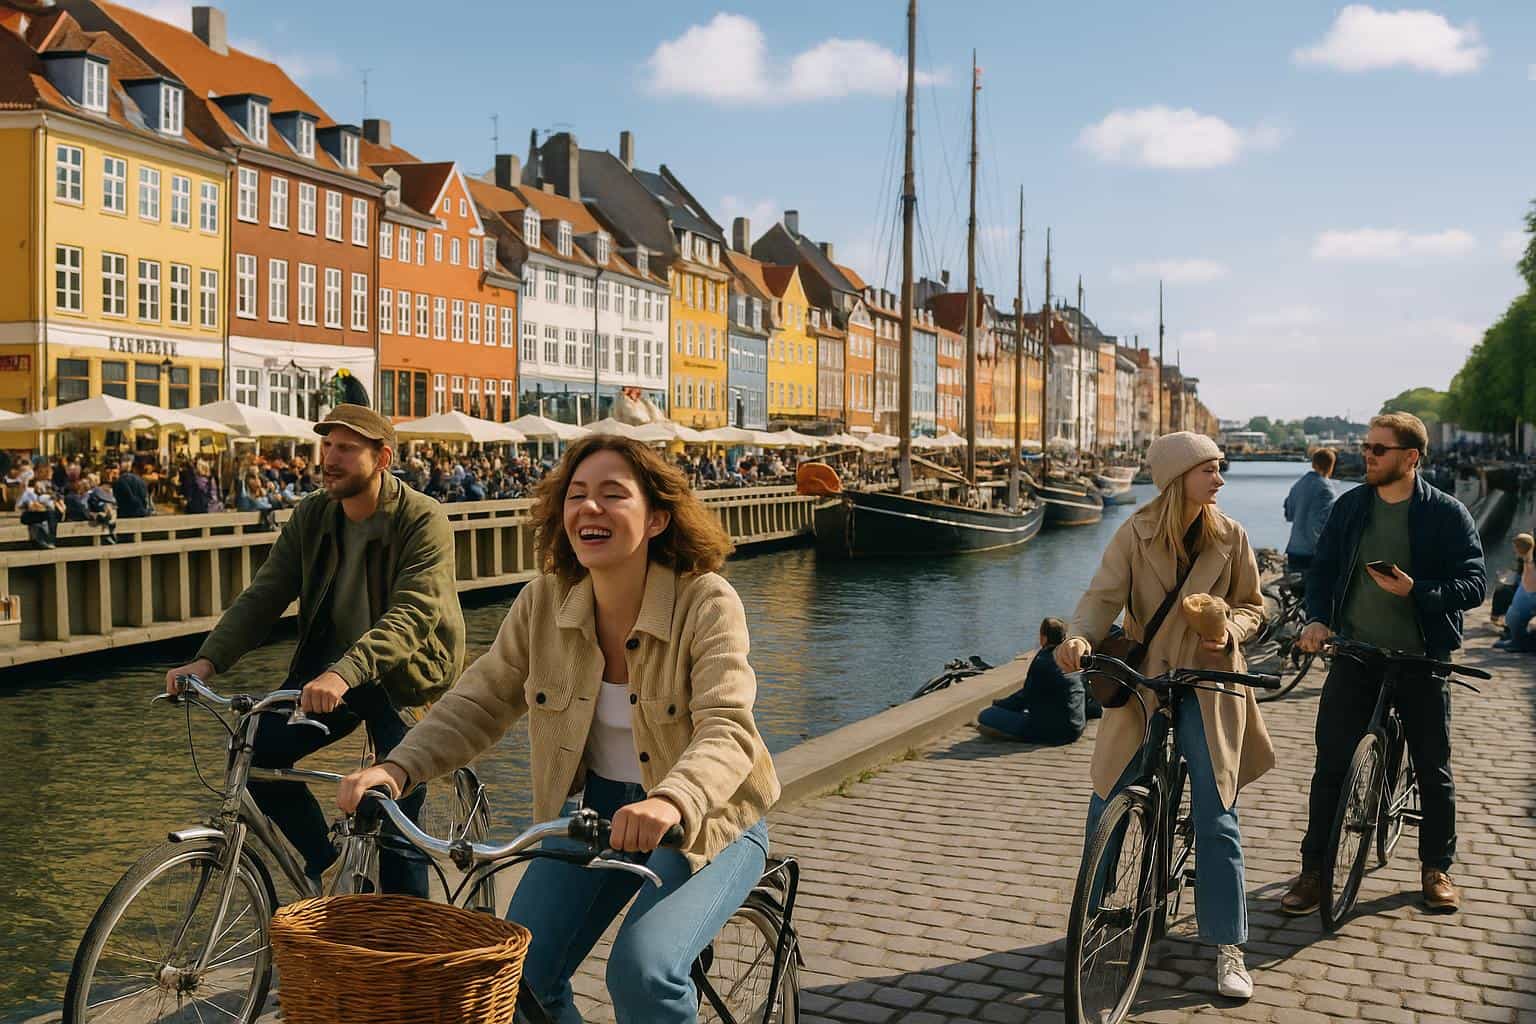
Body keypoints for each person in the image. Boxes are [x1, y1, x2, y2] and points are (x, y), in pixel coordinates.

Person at [337, 434, 781, 1023]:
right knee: (518, 975)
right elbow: (482, 697)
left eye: (612, 495)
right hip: (598, 814)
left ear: (656, 520)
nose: (588, 509)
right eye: (576, 495)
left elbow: (727, 725)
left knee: (643, 973)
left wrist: (672, 800)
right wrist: (397, 767)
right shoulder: (544, 601)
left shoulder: (706, 602)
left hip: (709, 821)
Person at [164, 405, 466, 897]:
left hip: (405, 677)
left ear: (382, 458)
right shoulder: (314, 514)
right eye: (326, 445)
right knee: (256, 750)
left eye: (346, 448)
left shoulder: (421, 519)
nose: (330, 457)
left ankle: (405, 953)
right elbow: (265, 594)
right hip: (332, 672)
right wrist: (207, 661)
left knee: (393, 815)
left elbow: (413, 613)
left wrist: (344, 674)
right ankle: (326, 864)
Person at [1056, 431, 1274, 1001]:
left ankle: (1229, 946)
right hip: (1147, 681)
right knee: (1109, 795)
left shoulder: (1232, 536)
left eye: (1221, 468)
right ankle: (1092, 916)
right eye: (1211, 470)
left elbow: (1256, 605)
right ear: (1179, 477)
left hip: (1209, 682)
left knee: (1215, 809)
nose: (1221, 480)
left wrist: (1228, 630)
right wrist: (1079, 638)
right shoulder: (1136, 532)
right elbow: (1103, 597)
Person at [1286, 412, 1486, 915]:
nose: (1367, 456)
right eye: (1366, 447)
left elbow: (1474, 584)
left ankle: (1436, 868)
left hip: (1422, 659)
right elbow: (1324, 570)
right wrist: (1315, 619)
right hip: (1357, 654)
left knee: (1433, 767)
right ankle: (1314, 872)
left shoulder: (1446, 513)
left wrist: (1419, 591)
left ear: (1411, 457)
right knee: (1330, 765)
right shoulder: (1353, 507)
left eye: (1379, 449)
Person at [977, 617, 1094, 744]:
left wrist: (1000, 705)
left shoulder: (1042, 661)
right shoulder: (1072, 656)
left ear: (1043, 638)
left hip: (1052, 732)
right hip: (1075, 727)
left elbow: (1025, 697)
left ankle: (1019, 735)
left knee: (985, 715)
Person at [1282, 448, 1339, 573]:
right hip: (1313, 552)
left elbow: (1289, 515)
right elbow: (1327, 523)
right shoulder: (1327, 490)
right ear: (1331, 466)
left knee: (1298, 590)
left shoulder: (1298, 485)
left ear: (1313, 464)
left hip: (1294, 549)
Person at [1494, 533, 1536, 653]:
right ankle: (1514, 637)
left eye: (1516, 548)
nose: (1514, 551)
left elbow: (1530, 585)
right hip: (1527, 584)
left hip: (1531, 589)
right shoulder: (1525, 558)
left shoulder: (1530, 558)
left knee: (1514, 616)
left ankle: (1518, 642)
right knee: (1504, 593)